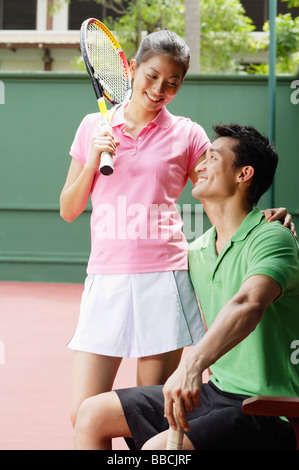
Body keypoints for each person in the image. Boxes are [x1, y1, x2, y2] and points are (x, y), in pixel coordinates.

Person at [72, 124, 299, 450]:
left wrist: (192, 365)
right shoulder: (197, 251)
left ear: (243, 174)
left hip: (266, 409)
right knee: (91, 413)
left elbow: (248, 304)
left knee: (158, 451)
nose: (200, 166)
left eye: (211, 159)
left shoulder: (272, 237)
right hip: (216, 393)